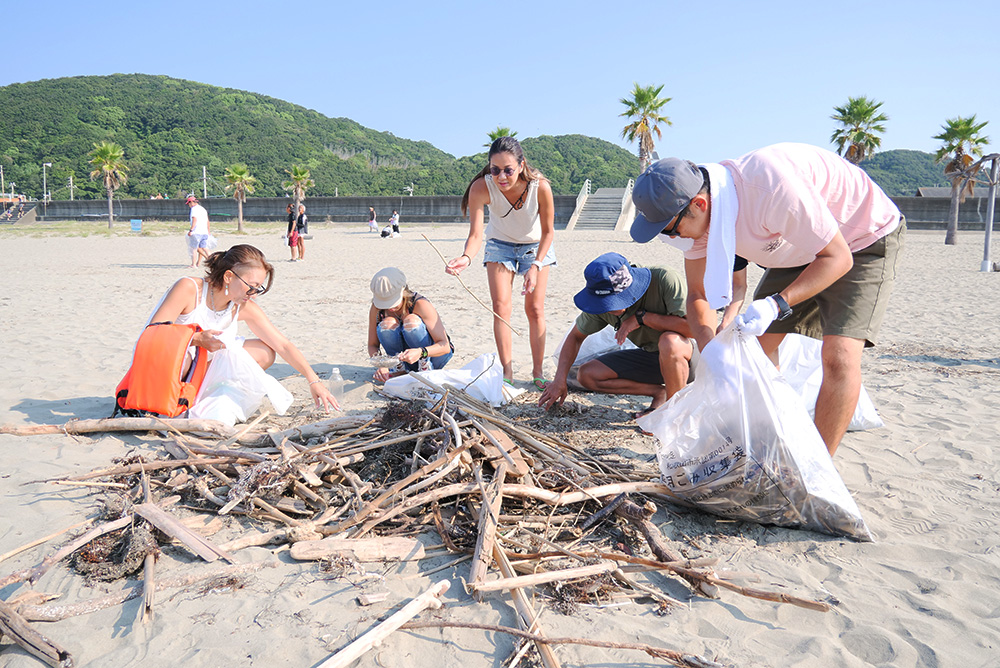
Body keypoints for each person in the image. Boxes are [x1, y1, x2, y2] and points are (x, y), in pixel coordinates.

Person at [629, 143, 904, 456]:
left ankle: (816, 467)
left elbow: (837, 257)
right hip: (797, 249)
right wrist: (712, 354)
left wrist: (778, 303)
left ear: (700, 204)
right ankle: (765, 445)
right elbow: (698, 295)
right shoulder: (697, 219)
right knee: (751, 356)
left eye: (671, 230)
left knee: (838, 356)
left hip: (862, 239)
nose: (673, 238)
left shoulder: (769, 188)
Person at [146, 244, 338, 411]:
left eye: (258, 289)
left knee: (265, 351)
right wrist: (196, 339)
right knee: (184, 357)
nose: (253, 294)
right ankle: (177, 398)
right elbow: (153, 332)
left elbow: (282, 345)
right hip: (169, 365)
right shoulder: (189, 288)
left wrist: (314, 381)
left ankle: (199, 392)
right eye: (251, 287)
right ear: (229, 276)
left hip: (204, 370)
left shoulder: (242, 306)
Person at [446, 136, 555, 388]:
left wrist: (536, 266)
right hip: (499, 245)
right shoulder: (481, 188)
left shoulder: (540, 186)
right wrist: (466, 257)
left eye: (508, 170)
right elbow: (475, 234)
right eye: (495, 170)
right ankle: (507, 372)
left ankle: (537, 371)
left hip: (535, 247)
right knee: (501, 308)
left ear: (521, 164)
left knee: (535, 309)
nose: (502, 177)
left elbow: (549, 232)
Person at [538, 253, 693, 418]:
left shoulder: (664, 279)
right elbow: (575, 337)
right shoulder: (600, 304)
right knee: (587, 374)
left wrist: (643, 318)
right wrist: (559, 379)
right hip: (653, 358)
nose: (610, 308)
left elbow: (692, 329)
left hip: (690, 359)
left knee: (669, 341)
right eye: (605, 302)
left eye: (615, 301)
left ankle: (674, 412)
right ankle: (659, 393)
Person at [367, 267, 453, 382]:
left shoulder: (420, 304)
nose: (390, 308)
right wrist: (382, 365)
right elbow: (372, 345)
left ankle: (425, 367)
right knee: (388, 324)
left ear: (404, 291)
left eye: (393, 302)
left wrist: (421, 352)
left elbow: (445, 346)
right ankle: (398, 368)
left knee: (411, 321)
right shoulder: (377, 308)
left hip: (432, 355)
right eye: (386, 303)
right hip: (402, 359)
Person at [186, 195, 211, 268]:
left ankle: (193, 264)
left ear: (191, 202)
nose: (189, 205)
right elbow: (207, 221)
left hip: (197, 232)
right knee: (205, 248)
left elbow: (195, 219)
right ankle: (213, 261)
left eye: (188, 204)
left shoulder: (194, 209)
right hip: (204, 232)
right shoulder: (203, 209)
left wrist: (191, 230)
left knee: (194, 248)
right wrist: (208, 231)